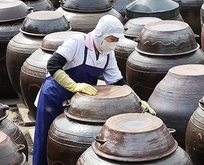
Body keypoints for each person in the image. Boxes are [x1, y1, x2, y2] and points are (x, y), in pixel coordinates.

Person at [33, 15, 155, 165]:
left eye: (117, 40)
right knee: (45, 139)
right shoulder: (78, 42)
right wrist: (74, 86)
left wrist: (137, 100)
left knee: (68, 145)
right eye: (111, 39)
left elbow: (117, 81)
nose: (114, 44)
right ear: (100, 34)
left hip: (79, 103)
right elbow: (52, 65)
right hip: (53, 97)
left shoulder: (108, 54)